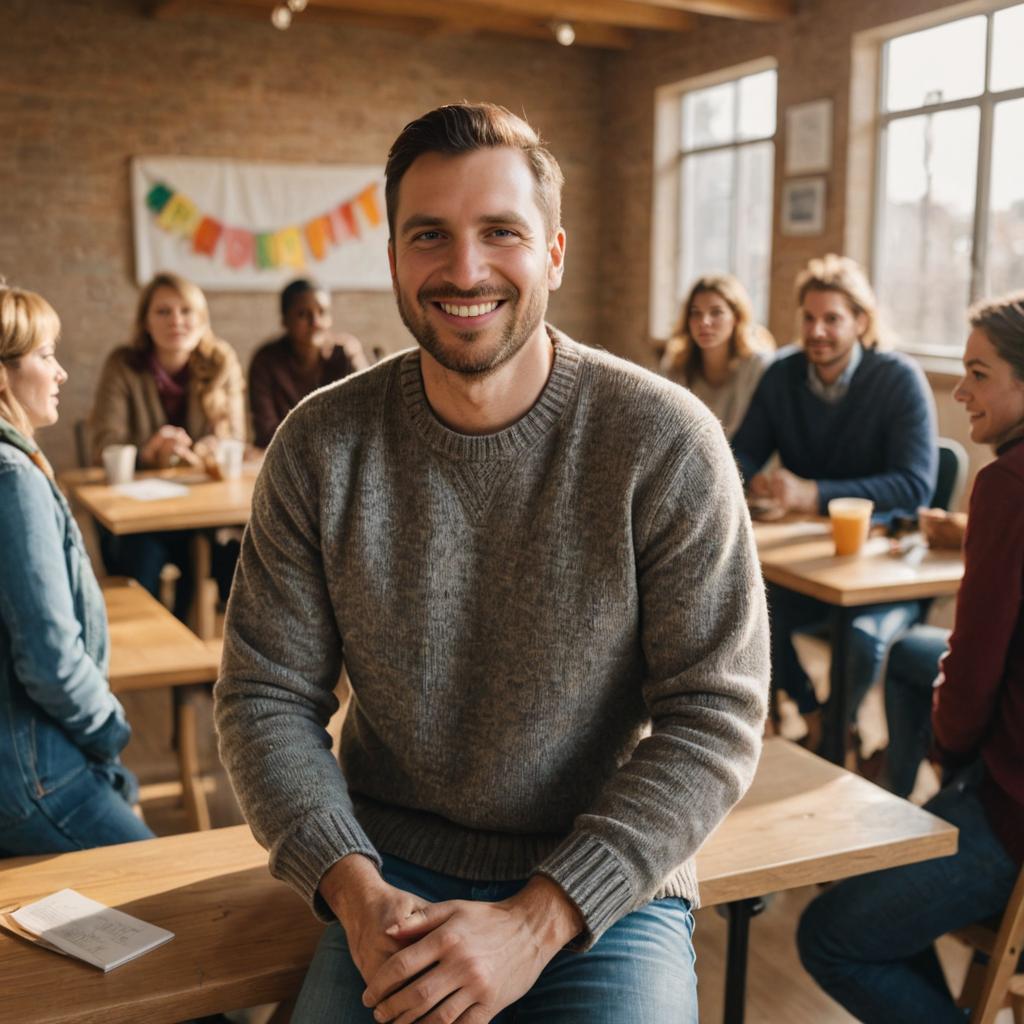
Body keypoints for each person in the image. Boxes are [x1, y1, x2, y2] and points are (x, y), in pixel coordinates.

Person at [216, 102, 769, 1023]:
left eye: (501, 233)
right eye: (429, 235)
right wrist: (353, 894)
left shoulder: (665, 439)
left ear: (553, 252)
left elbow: (715, 713)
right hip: (384, 875)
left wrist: (537, 921)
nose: (463, 269)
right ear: (393, 257)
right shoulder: (320, 445)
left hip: (606, 880)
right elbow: (265, 696)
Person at [797, 291, 1024, 1023]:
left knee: (831, 935)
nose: (959, 391)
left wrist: (951, 758)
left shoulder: (1009, 485)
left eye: (978, 374)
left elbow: (975, 667)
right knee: (906, 654)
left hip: (1010, 808)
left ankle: (913, 812)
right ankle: (902, 811)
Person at [732, 254, 938, 752]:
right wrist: (754, 478)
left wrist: (815, 494)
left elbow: (915, 486)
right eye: (809, 318)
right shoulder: (782, 375)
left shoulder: (898, 381)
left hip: (883, 571)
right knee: (743, 604)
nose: (817, 331)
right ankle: (813, 715)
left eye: (832, 319)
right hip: (809, 561)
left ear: (861, 323)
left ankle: (829, 742)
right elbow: (738, 454)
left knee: (862, 643)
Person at [0, 282, 153, 854]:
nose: (60, 372)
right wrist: (111, 735)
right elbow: (49, 661)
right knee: (162, 898)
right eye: (45, 355)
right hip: (31, 773)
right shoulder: (13, 477)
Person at [88, 272, 246, 619]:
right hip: (144, 514)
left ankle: (212, 657)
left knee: (238, 549)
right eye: (163, 311)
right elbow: (102, 444)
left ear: (202, 319)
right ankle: (154, 653)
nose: (176, 320)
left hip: (205, 512)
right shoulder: (123, 364)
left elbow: (233, 437)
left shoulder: (221, 361)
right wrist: (148, 451)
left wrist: (207, 450)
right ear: (145, 320)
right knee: (141, 559)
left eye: (186, 311)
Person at [249, 278, 369, 449]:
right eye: (303, 314)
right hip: (283, 464)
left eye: (322, 312)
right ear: (284, 320)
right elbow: (266, 433)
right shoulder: (266, 361)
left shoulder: (346, 354)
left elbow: (367, 417)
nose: (315, 322)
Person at [660, 273, 774, 439]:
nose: (704, 322)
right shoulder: (675, 365)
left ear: (736, 317)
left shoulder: (758, 366)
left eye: (716, 312)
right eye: (696, 313)